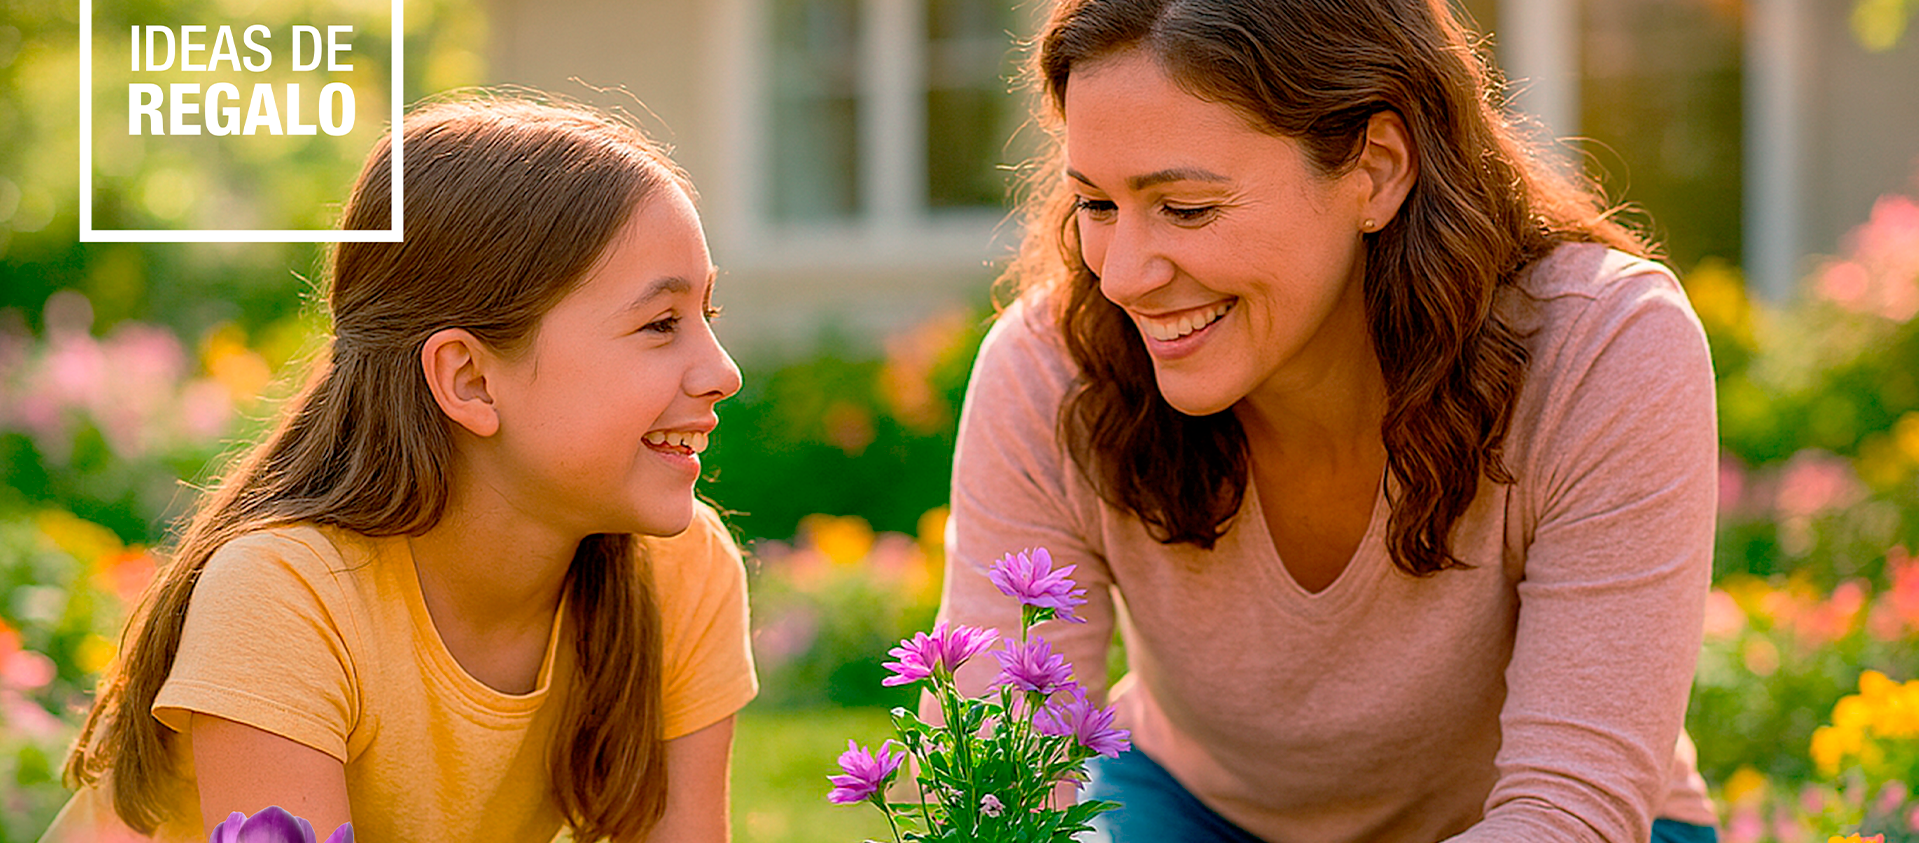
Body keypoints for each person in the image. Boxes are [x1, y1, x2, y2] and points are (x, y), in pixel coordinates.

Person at [935, 1, 1721, 842]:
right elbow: (1001, 788)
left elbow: (1569, 813)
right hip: (1190, 811)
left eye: (1188, 207)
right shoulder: (1053, 369)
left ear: (1376, 170)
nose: (1122, 276)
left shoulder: (1602, 348)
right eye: (1095, 204)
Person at [40, 96, 755, 843]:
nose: (723, 371)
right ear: (470, 379)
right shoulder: (284, 597)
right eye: (660, 324)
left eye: (708, 315)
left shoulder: (677, 573)